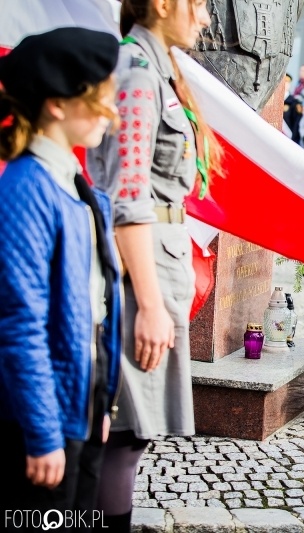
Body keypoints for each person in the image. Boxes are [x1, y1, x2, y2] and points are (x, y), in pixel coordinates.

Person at [86, 0, 221, 529]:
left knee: (132, 429)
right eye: (200, 4)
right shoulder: (139, 75)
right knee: (125, 428)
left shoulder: (157, 68)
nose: (207, 18)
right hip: (137, 267)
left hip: (157, 257)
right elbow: (128, 196)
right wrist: (147, 303)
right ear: (163, 5)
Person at [0, 27, 122, 526]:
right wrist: (43, 432)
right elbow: (20, 322)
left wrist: (101, 406)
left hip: (82, 407)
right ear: (56, 104)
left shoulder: (76, 185)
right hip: (46, 419)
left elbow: (96, 306)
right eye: (98, 100)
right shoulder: (28, 187)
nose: (111, 113)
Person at [283, 73, 303, 144]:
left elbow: (297, 124)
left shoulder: (294, 103)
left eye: (286, 82)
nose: (283, 85)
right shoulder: (273, 102)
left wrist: (293, 140)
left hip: (289, 140)